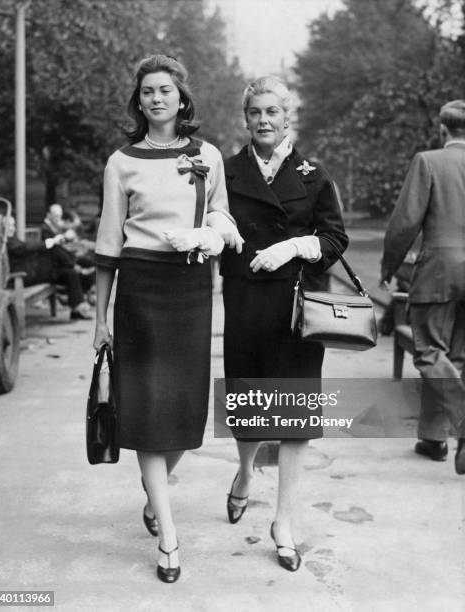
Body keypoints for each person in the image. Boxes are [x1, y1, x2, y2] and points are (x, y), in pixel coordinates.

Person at [92, 54, 242, 583]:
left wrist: (213, 237)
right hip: (140, 288)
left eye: (165, 90)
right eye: (147, 92)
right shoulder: (121, 161)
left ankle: (154, 497)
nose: (156, 99)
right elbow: (109, 243)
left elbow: (223, 218)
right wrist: (100, 318)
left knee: (182, 413)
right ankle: (169, 537)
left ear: (182, 99)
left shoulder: (208, 155)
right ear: (139, 101)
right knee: (146, 411)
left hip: (191, 288)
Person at [220, 76, 348, 571]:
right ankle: (246, 473)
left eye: (272, 111)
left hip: (299, 309)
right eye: (255, 112)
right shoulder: (227, 171)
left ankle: (284, 522)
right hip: (247, 302)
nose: (264, 120)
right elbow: (213, 218)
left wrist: (294, 246)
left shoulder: (314, 175)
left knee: (294, 419)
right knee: (249, 408)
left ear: (287, 116)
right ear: (246, 118)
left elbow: (335, 239)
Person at [381, 100, 465, 475]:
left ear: (443, 130)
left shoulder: (428, 161)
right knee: (455, 358)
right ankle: (433, 437)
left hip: (439, 272)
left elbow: (404, 223)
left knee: (430, 352)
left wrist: (389, 265)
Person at [6, 217, 93, 320]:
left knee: (70, 273)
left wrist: (51, 242)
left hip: (35, 272)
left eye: (13, 225)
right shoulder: (6, 241)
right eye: (9, 225)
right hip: (24, 276)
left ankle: (76, 310)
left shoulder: (11, 239)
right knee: (54, 249)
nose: (12, 228)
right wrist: (49, 242)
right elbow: (25, 248)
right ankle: (72, 264)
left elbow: (27, 248)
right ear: (2, 227)